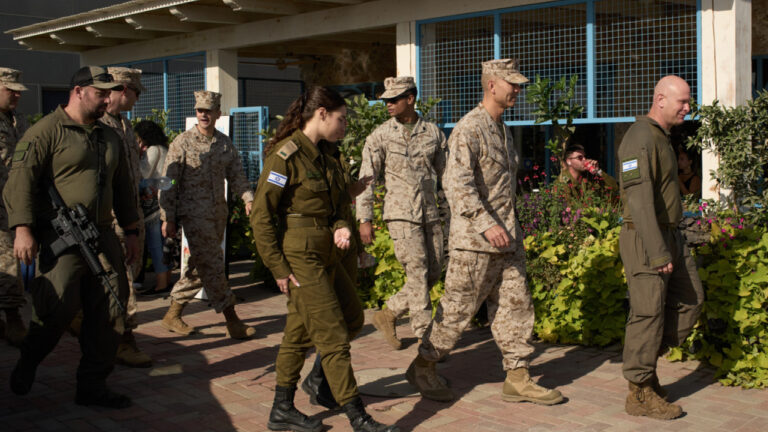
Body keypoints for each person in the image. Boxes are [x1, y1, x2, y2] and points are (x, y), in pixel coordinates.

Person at [406, 59, 563, 405]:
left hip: (507, 240)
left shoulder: (502, 129)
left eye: (520, 85)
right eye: (513, 85)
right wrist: (486, 223)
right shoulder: (469, 129)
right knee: (457, 312)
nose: (518, 91)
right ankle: (424, 366)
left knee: (516, 307)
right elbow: (456, 183)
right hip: (475, 244)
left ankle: (518, 377)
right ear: (492, 84)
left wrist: (507, 227)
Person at [251, 86, 398, 432]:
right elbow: (261, 216)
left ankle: (294, 399)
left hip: (328, 252)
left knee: (346, 319)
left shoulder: (325, 155)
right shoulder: (285, 157)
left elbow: (333, 206)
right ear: (321, 114)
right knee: (332, 335)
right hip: (301, 256)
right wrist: (278, 268)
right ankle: (358, 417)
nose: (345, 125)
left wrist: (342, 226)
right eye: (341, 118)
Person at [4, 66, 139, 408]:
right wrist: (22, 229)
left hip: (103, 235)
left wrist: (133, 230)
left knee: (111, 307)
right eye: (100, 92)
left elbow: (123, 186)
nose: (107, 99)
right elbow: (19, 183)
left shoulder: (108, 136)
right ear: (78, 91)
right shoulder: (44, 133)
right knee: (57, 307)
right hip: (59, 236)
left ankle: (92, 385)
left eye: (110, 92)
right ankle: (29, 360)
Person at [617, 75, 704, 420]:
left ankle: (646, 364)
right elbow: (638, 200)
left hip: (670, 234)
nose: (687, 107)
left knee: (691, 298)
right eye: (682, 102)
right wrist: (657, 251)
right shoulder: (639, 138)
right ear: (660, 99)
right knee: (648, 313)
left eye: (688, 102)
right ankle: (638, 391)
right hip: (645, 236)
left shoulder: (662, 137)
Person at [357, 76, 447, 350]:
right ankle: (425, 338)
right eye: (386, 100)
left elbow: (447, 176)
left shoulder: (433, 133)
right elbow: (366, 179)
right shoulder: (381, 135)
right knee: (418, 271)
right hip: (400, 214)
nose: (388, 104)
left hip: (430, 213)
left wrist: (453, 213)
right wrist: (365, 218)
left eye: (394, 99)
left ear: (411, 99)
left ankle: (388, 313)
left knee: (433, 271)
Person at [159, 90, 255, 340]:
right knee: (212, 265)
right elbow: (168, 182)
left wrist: (248, 199)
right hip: (193, 216)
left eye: (208, 111)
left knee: (200, 265)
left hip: (217, 216)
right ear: (196, 112)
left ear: (217, 114)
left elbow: (237, 176)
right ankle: (232, 320)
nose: (204, 115)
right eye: (200, 110)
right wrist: (167, 216)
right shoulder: (182, 142)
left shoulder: (224, 144)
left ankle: (172, 313)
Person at [100, 66, 151, 368]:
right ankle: (124, 339)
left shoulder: (124, 125)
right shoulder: (99, 125)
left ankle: (110, 334)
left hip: (131, 217)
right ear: (122, 90)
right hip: (111, 219)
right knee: (123, 282)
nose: (137, 99)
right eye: (135, 92)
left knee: (125, 277)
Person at [0, 67, 29, 346]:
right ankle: (12, 318)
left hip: (14, 204)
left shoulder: (19, 121)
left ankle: (11, 317)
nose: (16, 95)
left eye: (19, 91)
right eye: (11, 90)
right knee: (7, 264)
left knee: (10, 261)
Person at [134, 120, 171, 294]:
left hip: (153, 207)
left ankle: (161, 284)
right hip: (163, 201)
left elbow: (142, 173)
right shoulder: (164, 148)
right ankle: (165, 280)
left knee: (155, 245)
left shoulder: (153, 150)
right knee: (163, 245)